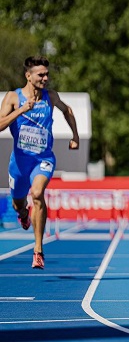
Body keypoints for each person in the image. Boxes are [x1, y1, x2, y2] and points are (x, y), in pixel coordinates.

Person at [0, 56, 79, 269]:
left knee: (37, 194)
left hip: (43, 160)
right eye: (41, 74)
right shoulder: (13, 97)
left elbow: (67, 110)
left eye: (47, 74)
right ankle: (23, 214)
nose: (45, 78)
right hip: (19, 164)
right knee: (18, 204)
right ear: (28, 76)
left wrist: (75, 136)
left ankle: (38, 250)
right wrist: (22, 110)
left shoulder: (50, 97)